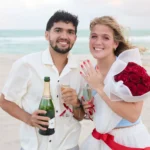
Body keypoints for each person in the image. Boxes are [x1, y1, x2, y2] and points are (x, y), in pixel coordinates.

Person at [0, 10, 85, 150]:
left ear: (75, 37)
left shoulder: (80, 70)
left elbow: (80, 116)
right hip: (34, 146)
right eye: (58, 30)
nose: (64, 36)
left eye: (70, 32)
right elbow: (4, 100)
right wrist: (28, 118)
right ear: (47, 35)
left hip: (69, 146)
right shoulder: (26, 64)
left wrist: (76, 103)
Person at [80, 16, 150, 149]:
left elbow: (133, 115)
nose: (98, 42)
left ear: (115, 43)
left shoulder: (130, 70)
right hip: (99, 141)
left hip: (128, 140)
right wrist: (87, 109)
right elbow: (100, 115)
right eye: (94, 36)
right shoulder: (90, 73)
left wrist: (100, 87)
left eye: (105, 37)